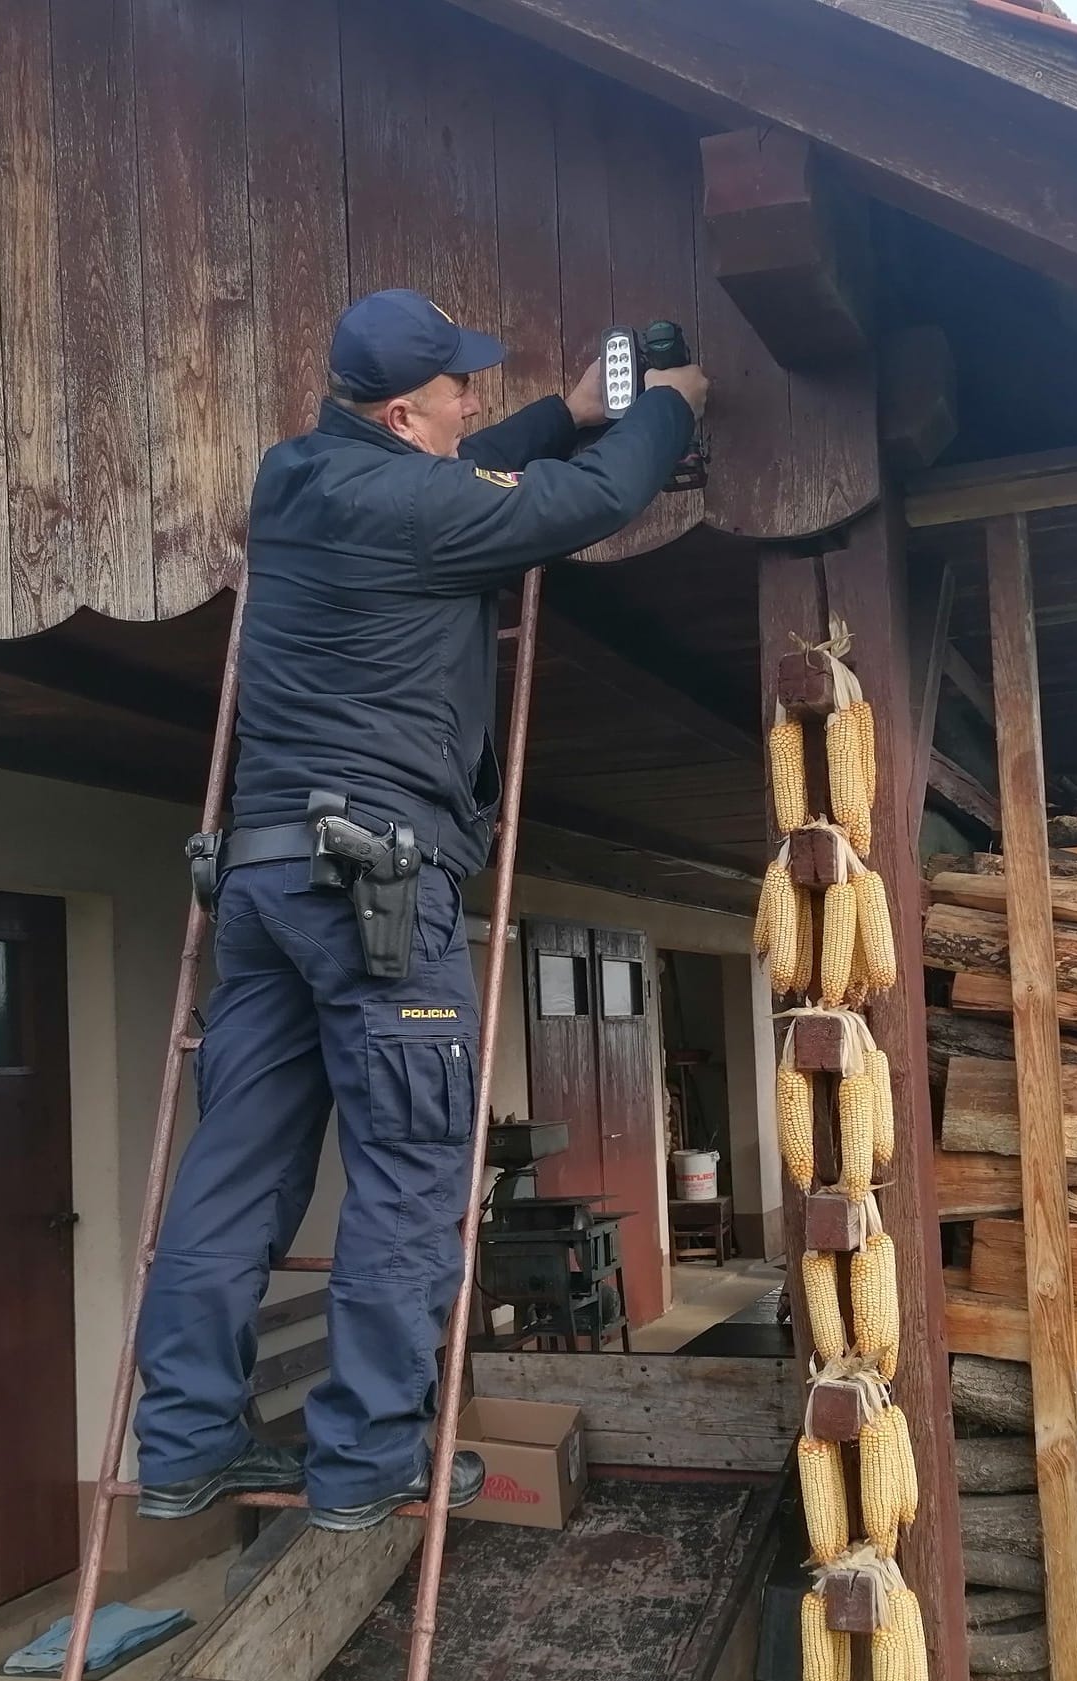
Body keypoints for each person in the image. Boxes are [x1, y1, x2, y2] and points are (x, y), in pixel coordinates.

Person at [133, 289, 709, 1532]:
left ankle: (180, 1449)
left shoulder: (293, 475)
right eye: (457, 389)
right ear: (404, 412)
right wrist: (666, 410)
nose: (471, 402)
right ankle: (367, 1461)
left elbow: (459, 475)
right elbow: (589, 502)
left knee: (233, 1171)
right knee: (407, 1173)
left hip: (262, 882)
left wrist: (562, 412)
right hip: (376, 891)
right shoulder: (412, 503)